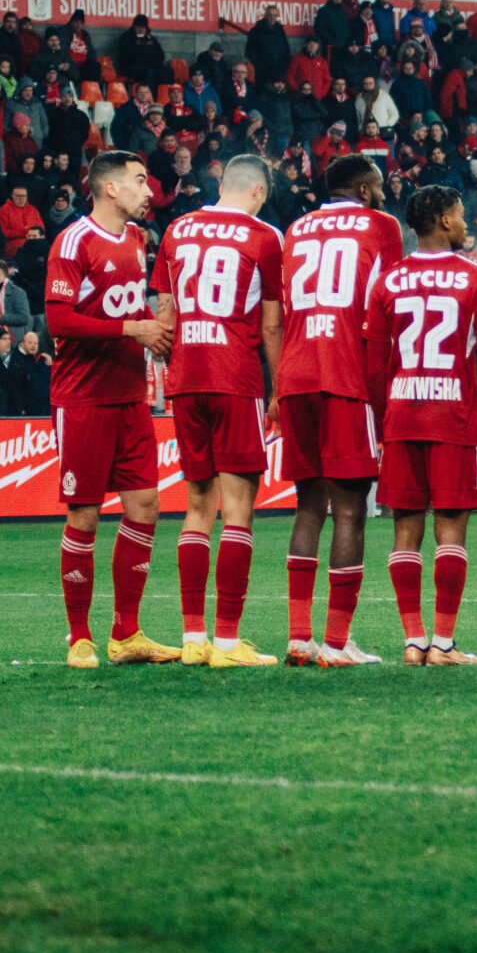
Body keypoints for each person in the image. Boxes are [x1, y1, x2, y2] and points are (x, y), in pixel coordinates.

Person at [44, 151, 179, 668]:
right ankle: (79, 635)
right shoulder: (73, 241)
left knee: (145, 506)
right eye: (141, 181)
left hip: (130, 397)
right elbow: (59, 321)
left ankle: (127, 633)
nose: (150, 191)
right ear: (110, 189)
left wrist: (155, 328)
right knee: (84, 513)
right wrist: (134, 329)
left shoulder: (138, 240)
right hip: (82, 398)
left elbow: (128, 307)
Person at [155, 153, 285, 667]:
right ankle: (227, 643)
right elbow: (272, 324)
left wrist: (182, 359)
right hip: (236, 380)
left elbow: (164, 312)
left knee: (195, 507)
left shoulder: (178, 229)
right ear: (257, 192)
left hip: (185, 379)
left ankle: (192, 638)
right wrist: (278, 390)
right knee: (237, 511)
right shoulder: (264, 236)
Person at [368, 185, 477, 665]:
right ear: (445, 220)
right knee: (451, 530)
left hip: (402, 416)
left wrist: (386, 419)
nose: (466, 223)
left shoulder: (388, 281)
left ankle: (412, 640)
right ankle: (443, 644)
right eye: (461, 215)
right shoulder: (475, 279)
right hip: (454, 416)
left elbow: (374, 364)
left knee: (405, 530)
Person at [275, 153, 400, 666]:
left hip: (295, 373)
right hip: (346, 373)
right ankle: (335, 642)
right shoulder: (382, 225)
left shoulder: (296, 228)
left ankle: (299, 638)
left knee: (309, 505)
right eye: (381, 185)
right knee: (350, 510)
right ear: (366, 191)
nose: (386, 193)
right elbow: (390, 302)